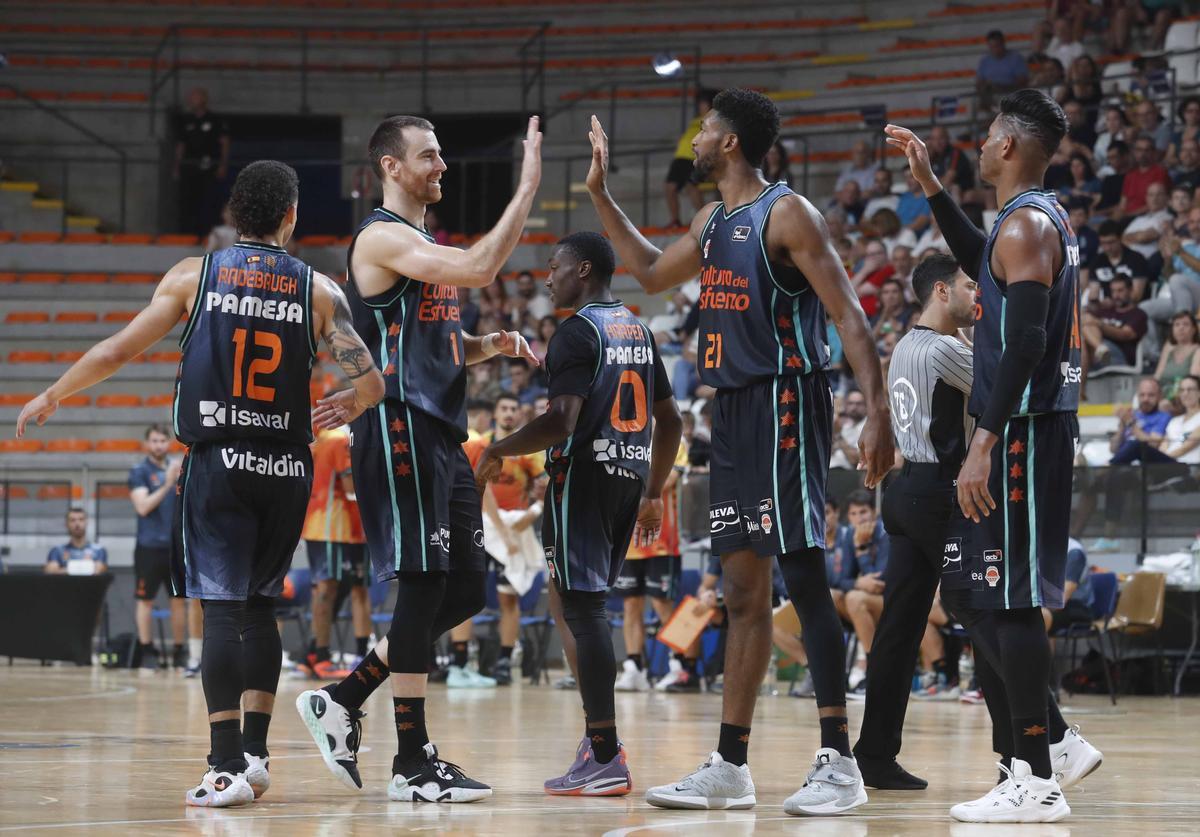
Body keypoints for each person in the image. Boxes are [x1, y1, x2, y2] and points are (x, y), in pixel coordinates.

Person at [16, 160, 386, 807]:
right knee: (262, 607)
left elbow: (118, 350)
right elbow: (373, 384)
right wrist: (348, 405)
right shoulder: (320, 291)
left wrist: (54, 393)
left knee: (221, 608)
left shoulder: (194, 275)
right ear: (291, 216)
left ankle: (224, 764)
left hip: (219, 461)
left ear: (233, 214)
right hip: (286, 466)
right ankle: (257, 755)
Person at [587, 88, 894, 815]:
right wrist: (599, 193)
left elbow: (849, 314)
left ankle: (840, 762)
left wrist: (878, 411)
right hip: (730, 411)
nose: (695, 138)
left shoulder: (788, 214)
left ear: (729, 141)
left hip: (785, 400)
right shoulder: (710, 219)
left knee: (804, 575)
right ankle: (731, 764)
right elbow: (651, 272)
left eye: (705, 128)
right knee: (742, 591)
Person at [295, 114, 543, 803]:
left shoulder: (423, 244)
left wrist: (488, 345)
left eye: (440, 154)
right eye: (429, 156)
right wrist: (526, 186)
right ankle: (411, 760)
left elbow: (436, 343)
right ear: (392, 167)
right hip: (398, 425)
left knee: (464, 590)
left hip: (442, 431)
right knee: (424, 586)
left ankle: (343, 698)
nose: (442, 165)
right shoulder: (380, 238)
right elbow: (482, 267)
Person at [886, 88, 1087, 822]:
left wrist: (983, 440)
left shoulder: (1028, 223)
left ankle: (1039, 772)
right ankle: (1044, 755)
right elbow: (983, 260)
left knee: (1011, 602)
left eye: (986, 136)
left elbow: (1027, 340)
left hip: (1025, 430)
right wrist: (931, 186)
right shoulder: (1021, 222)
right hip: (1025, 428)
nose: (977, 145)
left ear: (1008, 145)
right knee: (995, 600)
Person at [852, 253, 1102, 792]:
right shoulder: (946, 350)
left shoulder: (906, 345)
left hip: (905, 490)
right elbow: (1008, 385)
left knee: (899, 629)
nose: (979, 295)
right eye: (970, 286)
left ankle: (873, 752)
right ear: (942, 292)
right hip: (942, 493)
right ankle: (1039, 742)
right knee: (986, 610)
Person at [475, 231, 683, 797]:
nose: (548, 278)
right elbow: (671, 421)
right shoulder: (638, 330)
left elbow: (561, 421)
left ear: (583, 270)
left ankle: (604, 751)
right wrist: (652, 491)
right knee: (571, 602)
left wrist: (498, 449)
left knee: (584, 610)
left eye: (555, 267)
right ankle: (598, 742)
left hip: (584, 479)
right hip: (628, 479)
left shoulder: (576, 331)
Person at [462, 393, 546, 687]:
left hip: (513, 532)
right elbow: (475, 485)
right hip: (480, 526)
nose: (509, 413)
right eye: (504, 408)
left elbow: (546, 486)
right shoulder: (479, 445)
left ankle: (504, 661)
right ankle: (459, 661)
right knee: (464, 595)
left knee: (508, 598)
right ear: (495, 414)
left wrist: (534, 511)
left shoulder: (527, 450)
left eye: (513, 409)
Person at [615, 434, 692, 693]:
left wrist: (627, 482)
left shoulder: (674, 439)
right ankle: (634, 668)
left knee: (662, 605)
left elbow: (666, 481)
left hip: (663, 542)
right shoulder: (623, 438)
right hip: (629, 543)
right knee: (631, 605)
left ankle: (680, 666)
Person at [297, 425, 371, 681]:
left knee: (341, 588)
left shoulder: (323, 438)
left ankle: (312, 654)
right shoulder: (340, 440)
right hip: (334, 525)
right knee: (327, 588)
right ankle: (321, 656)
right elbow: (351, 486)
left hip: (333, 525)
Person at [1090, 377, 1174, 552]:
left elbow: (1152, 445)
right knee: (1091, 483)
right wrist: (1122, 426)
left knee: (1135, 446)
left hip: (1148, 466)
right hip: (1123, 467)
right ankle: (1073, 536)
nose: (1146, 399)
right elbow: (1114, 448)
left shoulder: (1163, 417)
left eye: (1150, 395)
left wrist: (1131, 424)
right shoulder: (1133, 415)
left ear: (1159, 396)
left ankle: (1105, 469)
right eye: (1142, 395)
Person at [128, 424, 186, 670]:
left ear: (169, 443)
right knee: (145, 600)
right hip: (149, 547)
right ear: (146, 444)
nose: (159, 445)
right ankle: (147, 649)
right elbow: (143, 507)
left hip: (175, 546)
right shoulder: (140, 472)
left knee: (179, 600)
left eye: (162, 440)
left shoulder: (178, 468)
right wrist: (166, 484)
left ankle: (179, 650)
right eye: (154, 441)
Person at [833, 490, 890, 699]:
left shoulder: (886, 533)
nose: (859, 519)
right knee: (831, 596)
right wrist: (858, 582)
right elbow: (840, 580)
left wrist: (862, 550)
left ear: (874, 513)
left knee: (855, 599)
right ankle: (828, 671)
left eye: (863, 512)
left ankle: (873, 670)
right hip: (864, 602)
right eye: (854, 514)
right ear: (848, 517)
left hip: (890, 601)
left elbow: (880, 582)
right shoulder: (850, 535)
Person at [173, 87, 230, 237]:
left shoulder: (215, 120)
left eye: (195, 96)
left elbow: (224, 142)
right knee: (188, 202)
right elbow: (181, 145)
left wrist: (222, 164)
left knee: (208, 202)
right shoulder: (186, 120)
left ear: (204, 99)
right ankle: (187, 234)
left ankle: (207, 233)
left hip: (209, 166)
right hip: (190, 166)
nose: (191, 100)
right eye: (191, 97)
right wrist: (177, 166)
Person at [1080, 274, 1147, 384]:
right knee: (1086, 325)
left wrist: (1100, 324)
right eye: (1113, 291)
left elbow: (1126, 334)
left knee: (1087, 333)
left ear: (1130, 290)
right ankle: (1100, 348)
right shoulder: (1105, 311)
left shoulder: (1138, 314)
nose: (1116, 295)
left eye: (1120, 291)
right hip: (1097, 354)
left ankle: (1079, 390)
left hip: (1119, 356)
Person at [664, 90, 715, 227]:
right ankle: (675, 220)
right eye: (700, 103)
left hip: (694, 156)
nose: (700, 105)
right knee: (670, 187)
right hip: (680, 157)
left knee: (691, 186)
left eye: (703, 103)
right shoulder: (695, 120)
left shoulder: (713, 119)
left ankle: (706, 220)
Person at [1085, 220, 1149, 303]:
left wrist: (1113, 303)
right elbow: (1094, 294)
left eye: (1111, 242)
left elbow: (1137, 296)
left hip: (1133, 307)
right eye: (1103, 243)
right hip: (1106, 307)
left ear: (1120, 239)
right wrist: (1096, 304)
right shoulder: (1097, 261)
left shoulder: (1136, 259)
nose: (1107, 247)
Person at [1154, 312, 1200, 405]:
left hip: (1184, 397)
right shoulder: (1168, 347)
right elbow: (1157, 376)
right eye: (1177, 324)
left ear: (1194, 329)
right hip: (1161, 397)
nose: (1181, 328)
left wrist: (1169, 399)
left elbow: (1192, 382)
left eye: (1186, 324)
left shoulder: (1198, 350)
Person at [45, 507, 108, 575]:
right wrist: (86, 568)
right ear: (66, 524)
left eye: (81, 519)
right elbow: (51, 571)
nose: (77, 524)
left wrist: (65, 569)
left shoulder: (98, 550)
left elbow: (98, 571)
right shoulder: (57, 551)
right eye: (72, 520)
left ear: (86, 522)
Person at [1121, 135, 1172, 218]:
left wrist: (1128, 215)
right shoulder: (1130, 175)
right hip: (1127, 217)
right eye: (1139, 150)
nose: (1143, 154)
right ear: (1134, 152)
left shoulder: (1160, 173)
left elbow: (1158, 203)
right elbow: (1122, 204)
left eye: (1147, 150)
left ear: (1153, 152)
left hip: (1147, 216)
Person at [976, 31, 1029, 109]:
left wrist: (1001, 87)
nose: (995, 49)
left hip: (1011, 95)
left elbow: (1022, 81)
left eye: (997, 46)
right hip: (990, 96)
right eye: (992, 47)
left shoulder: (1015, 58)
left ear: (1003, 44)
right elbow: (979, 82)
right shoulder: (985, 61)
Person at [1122, 181, 1172, 261]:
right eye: (1151, 195)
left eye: (1159, 194)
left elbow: (1144, 237)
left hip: (1147, 261)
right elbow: (1123, 238)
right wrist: (1137, 236)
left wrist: (1131, 237)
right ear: (1146, 198)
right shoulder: (1139, 219)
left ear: (1166, 197)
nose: (1154, 198)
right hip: (1128, 260)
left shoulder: (1167, 217)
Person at [927, 125, 975, 199]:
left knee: (954, 189)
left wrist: (931, 183)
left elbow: (948, 180)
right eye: (934, 139)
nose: (937, 142)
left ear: (947, 138)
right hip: (942, 189)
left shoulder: (955, 153)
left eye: (941, 138)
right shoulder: (933, 156)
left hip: (962, 189)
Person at [829, 389, 868, 470]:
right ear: (845, 406)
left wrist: (839, 436)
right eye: (850, 403)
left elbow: (856, 460)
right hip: (831, 470)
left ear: (866, 406)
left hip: (849, 473)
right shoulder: (844, 426)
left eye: (859, 404)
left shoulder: (870, 427)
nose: (854, 407)